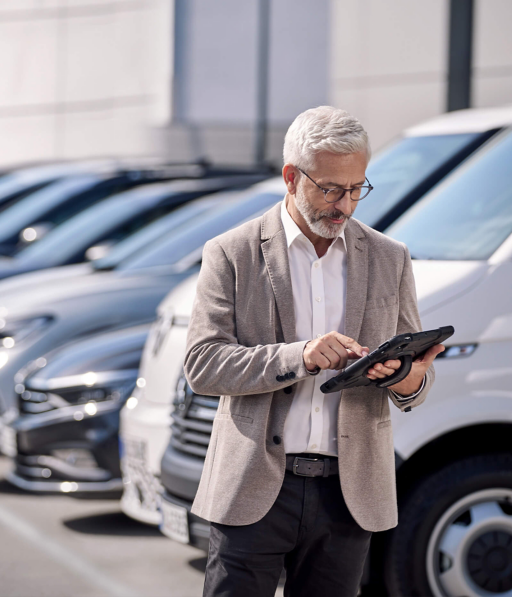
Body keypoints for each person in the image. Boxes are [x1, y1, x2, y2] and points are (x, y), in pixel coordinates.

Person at [184, 106, 444, 597]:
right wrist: (299, 356)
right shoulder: (231, 252)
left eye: (356, 189)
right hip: (254, 488)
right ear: (290, 177)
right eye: (329, 189)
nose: (343, 205)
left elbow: (417, 383)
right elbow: (203, 364)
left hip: (348, 494)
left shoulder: (392, 257)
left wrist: (405, 380)